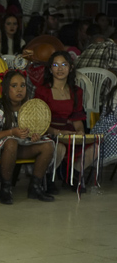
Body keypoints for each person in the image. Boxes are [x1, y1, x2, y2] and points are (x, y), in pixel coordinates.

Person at [0, 69, 55, 203]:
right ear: (6, 89)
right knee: (11, 142)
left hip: (22, 145)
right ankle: (5, 188)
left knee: (48, 145)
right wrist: (12, 132)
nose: (19, 90)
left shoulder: (29, 107)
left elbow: (32, 132)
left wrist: (34, 136)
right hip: (1, 147)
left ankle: (35, 187)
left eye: (22, 85)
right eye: (14, 86)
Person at [34, 51, 96, 184]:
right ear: (50, 69)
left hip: (69, 132)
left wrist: (80, 131)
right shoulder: (42, 91)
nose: (60, 69)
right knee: (59, 147)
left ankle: (73, 175)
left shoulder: (76, 91)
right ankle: (48, 178)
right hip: (48, 131)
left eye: (64, 65)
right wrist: (58, 132)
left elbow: (77, 117)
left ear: (71, 68)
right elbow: (38, 122)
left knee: (95, 147)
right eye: (55, 65)